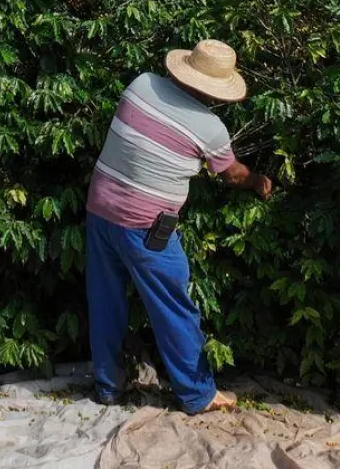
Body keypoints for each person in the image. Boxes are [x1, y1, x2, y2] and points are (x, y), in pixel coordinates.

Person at [85, 39, 273, 415]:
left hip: (100, 210)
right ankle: (196, 394)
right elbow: (230, 174)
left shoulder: (140, 85)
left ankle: (108, 385)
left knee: (105, 302)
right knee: (174, 307)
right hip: (146, 226)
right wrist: (257, 181)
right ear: (217, 90)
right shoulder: (211, 128)